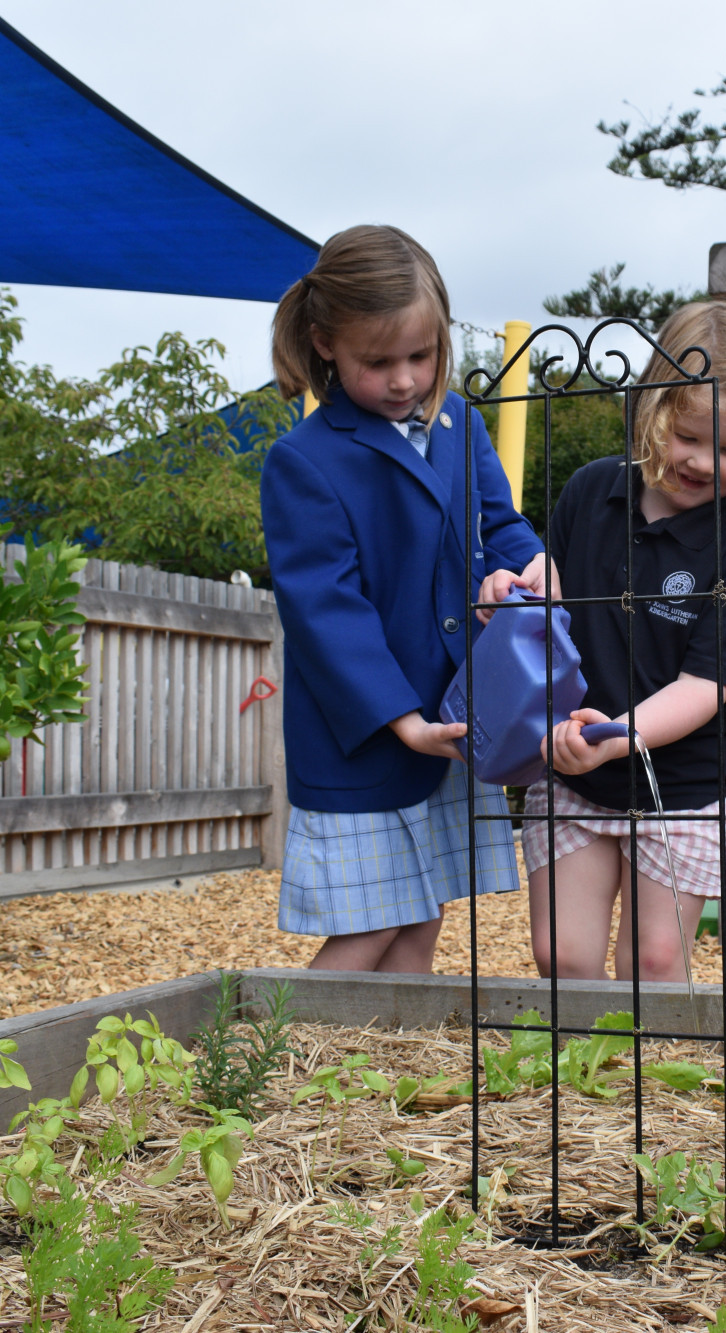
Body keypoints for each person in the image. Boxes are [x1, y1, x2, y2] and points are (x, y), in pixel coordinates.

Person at [489, 302, 726, 983]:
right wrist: (515, 590)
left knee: (655, 959)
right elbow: (553, 581)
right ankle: (580, 1083)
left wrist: (619, 732)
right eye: (688, 436)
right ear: (652, 408)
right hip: (573, 764)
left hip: (682, 782)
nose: (703, 461)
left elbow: (707, 687)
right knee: (563, 953)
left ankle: (647, 1078)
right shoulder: (591, 491)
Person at [260, 225, 550, 973]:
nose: (404, 380)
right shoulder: (304, 460)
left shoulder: (461, 426)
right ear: (326, 344)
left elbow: (500, 524)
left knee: (422, 917)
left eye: (421, 356)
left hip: (453, 712)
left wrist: (526, 571)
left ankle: (381, 1071)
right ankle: (274, 1067)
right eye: (377, 361)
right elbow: (326, 611)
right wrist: (402, 718)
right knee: (368, 928)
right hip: (371, 733)